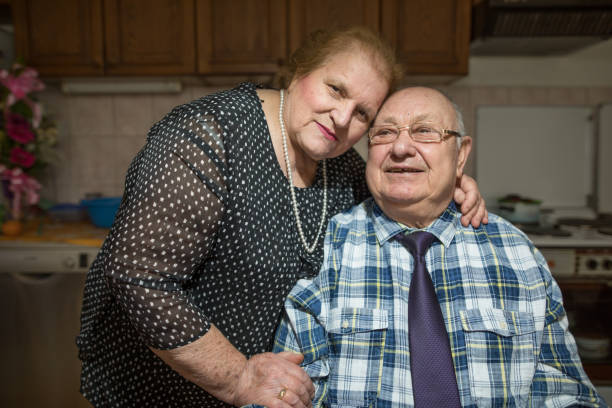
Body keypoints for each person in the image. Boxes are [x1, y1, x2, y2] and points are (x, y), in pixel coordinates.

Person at [76, 28, 488, 408]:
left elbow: (388, 215)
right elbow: (138, 276)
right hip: (157, 390)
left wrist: (443, 191)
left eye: (363, 113)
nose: (342, 118)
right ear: (299, 70)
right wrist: (237, 377)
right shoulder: (210, 136)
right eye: (335, 89)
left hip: (265, 394)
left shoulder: (339, 165)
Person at [273, 87, 605, 407]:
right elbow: (291, 393)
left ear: (460, 156)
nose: (401, 147)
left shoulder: (517, 252)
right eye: (385, 133)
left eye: (425, 131)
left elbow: (565, 394)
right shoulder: (326, 248)